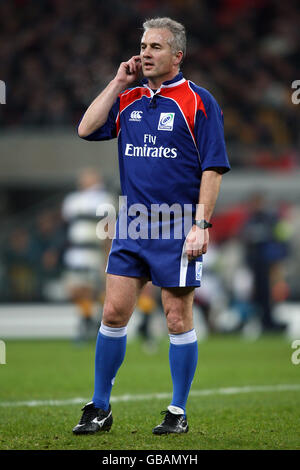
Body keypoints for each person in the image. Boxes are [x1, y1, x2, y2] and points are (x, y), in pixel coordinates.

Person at [72, 17, 230, 436]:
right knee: (112, 312)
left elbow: (213, 168)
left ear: (177, 55)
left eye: (156, 46)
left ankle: (177, 411)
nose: (145, 52)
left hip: (178, 227)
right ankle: (99, 407)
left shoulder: (199, 101)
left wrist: (201, 224)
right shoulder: (128, 99)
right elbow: (86, 129)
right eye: (143, 45)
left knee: (177, 318)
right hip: (133, 223)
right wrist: (116, 82)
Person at [62, 168, 115, 341]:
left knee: (96, 288)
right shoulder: (72, 199)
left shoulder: (105, 199)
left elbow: (109, 228)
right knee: (77, 289)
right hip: (77, 250)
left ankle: (98, 323)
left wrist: (107, 252)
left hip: (95, 249)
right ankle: (87, 320)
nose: (82, 179)